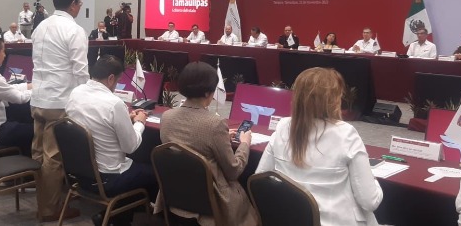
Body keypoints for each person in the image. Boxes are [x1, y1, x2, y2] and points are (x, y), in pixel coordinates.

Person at [255, 67, 382, 226]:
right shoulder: (345, 134)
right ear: (333, 100)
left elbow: (260, 179)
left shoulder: (283, 126)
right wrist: (374, 181)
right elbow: (370, 201)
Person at [159, 61, 258, 226]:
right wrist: (244, 144)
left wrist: (222, 139)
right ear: (207, 92)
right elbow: (233, 171)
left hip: (176, 196)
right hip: (212, 203)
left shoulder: (167, 117)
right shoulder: (215, 124)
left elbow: (190, 145)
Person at [66, 56, 157, 224]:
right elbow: (130, 147)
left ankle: (111, 217)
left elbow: (96, 121)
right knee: (153, 172)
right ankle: (117, 218)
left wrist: (124, 119)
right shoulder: (114, 103)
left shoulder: (76, 93)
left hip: (80, 175)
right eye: (118, 81)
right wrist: (139, 122)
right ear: (110, 78)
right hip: (109, 178)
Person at [30, 0, 89, 222]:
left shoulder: (40, 27)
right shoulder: (74, 30)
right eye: (79, 3)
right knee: (53, 158)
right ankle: (49, 209)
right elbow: (80, 70)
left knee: (38, 154)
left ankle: (44, 199)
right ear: (73, 5)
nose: (80, 6)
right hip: (59, 100)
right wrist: (88, 96)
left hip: (38, 98)